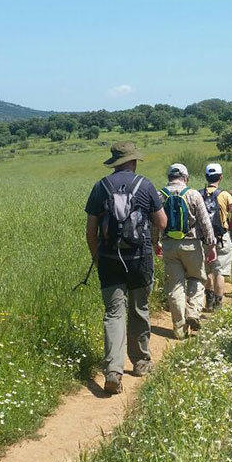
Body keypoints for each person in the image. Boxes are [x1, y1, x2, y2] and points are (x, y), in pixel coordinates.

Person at [85, 142, 167, 394]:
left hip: (109, 259)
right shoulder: (145, 185)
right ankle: (141, 361)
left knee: (113, 313)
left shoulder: (100, 187)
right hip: (139, 258)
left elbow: (91, 230)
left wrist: (98, 257)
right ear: (133, 161)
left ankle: (113, 370)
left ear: (115, 162)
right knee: (139, 309)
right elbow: (162, 221)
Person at [152, 164, 217, 340]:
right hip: (192, 244)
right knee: (197, 278)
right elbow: (205, 222)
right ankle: (194, 312)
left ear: (169, 176)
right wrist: (211, 245)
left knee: (175, 286)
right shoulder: (193, 194)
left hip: (169, 246)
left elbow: (153, 223)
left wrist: (155, 243)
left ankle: (179, 328)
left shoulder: (159, 195)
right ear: (185, 177)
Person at [200, 163, 232, 312]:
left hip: (203, 239)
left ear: (206, 177)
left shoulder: (198, 194)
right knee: (219, 272)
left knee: (207, 270)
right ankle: (218, 305)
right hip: (221, 237)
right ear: (221, 177)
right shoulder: (224, 195)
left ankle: (208, 301)